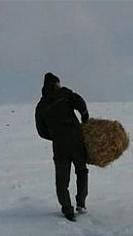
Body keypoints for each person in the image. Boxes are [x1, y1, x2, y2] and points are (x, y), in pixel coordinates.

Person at [35, 72, 90, 221]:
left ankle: (67, 209)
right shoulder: (64, 94)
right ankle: (81, 203)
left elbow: (41, 131)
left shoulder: (40, 107)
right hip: (75, 140)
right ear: (55, 84)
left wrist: (55, 136)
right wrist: (84, 116)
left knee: (62, 179)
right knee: (82, 171)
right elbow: (80, 102)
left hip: (59, 145)